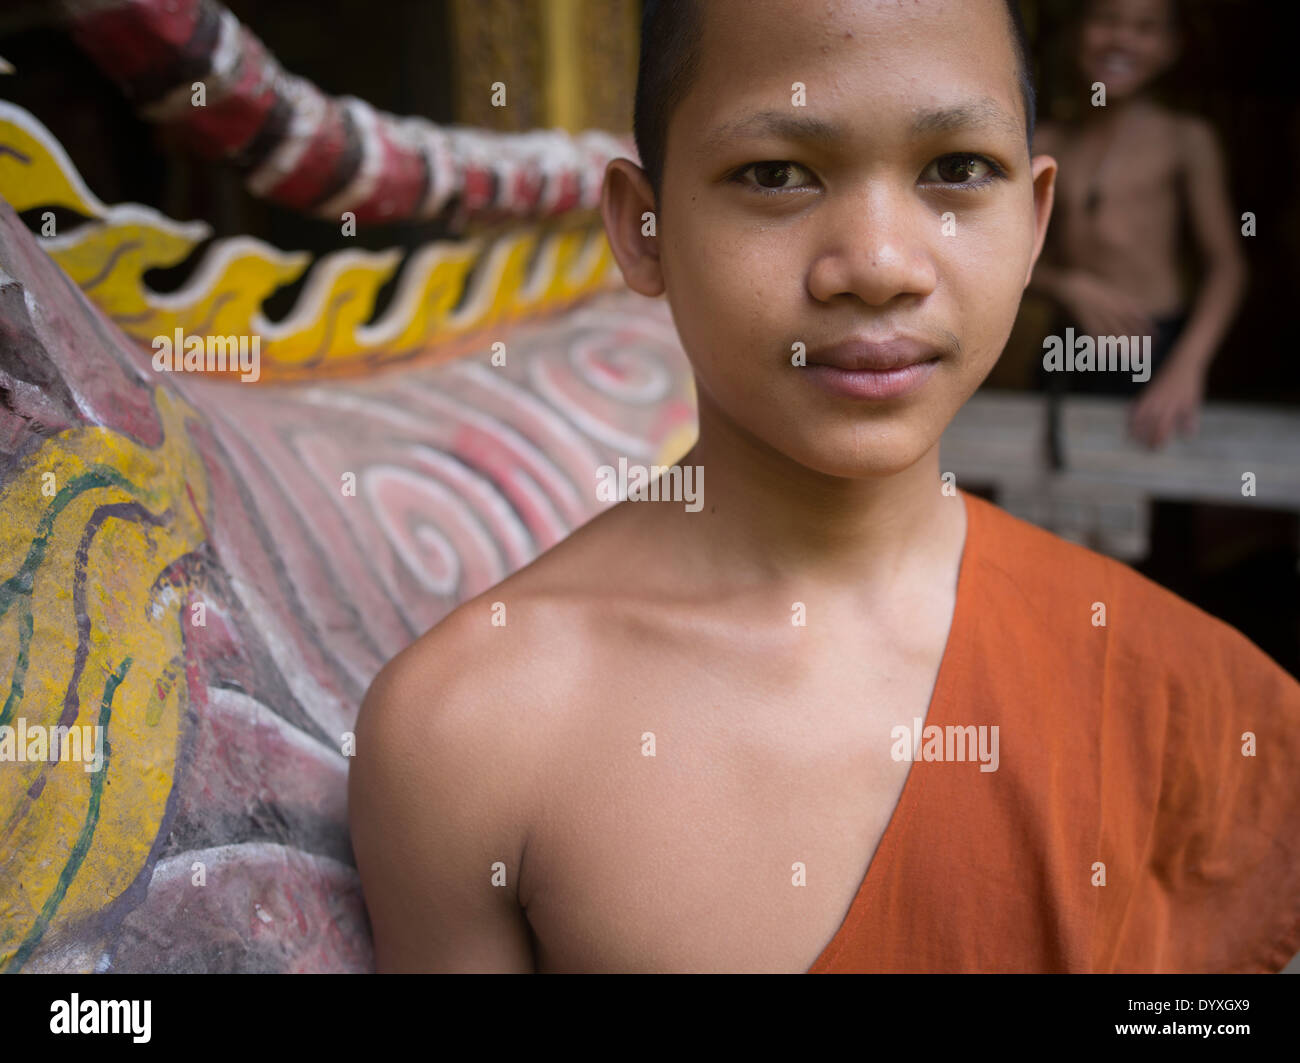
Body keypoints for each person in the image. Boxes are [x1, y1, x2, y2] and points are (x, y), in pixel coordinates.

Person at [348, 0, 1300, 973]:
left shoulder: (1187, 695)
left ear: (1032, 221)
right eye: (775, 174)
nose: (880, 267)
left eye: (956, 170)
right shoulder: (469, 730)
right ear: (643, 228)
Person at [1029, 0, 1247, 453]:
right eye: (1106, 20)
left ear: (1171, 48)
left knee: (1154, 491)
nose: (1122, 39)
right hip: (1068, 346)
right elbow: (1009, 258)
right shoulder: (1048, 142)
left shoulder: (1185, 139)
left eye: (1145, 28)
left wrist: (1187, 366)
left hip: (1156, 348)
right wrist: (1068, 285)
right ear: (1078, 33)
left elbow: (1227, 266)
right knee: (1054, 484)